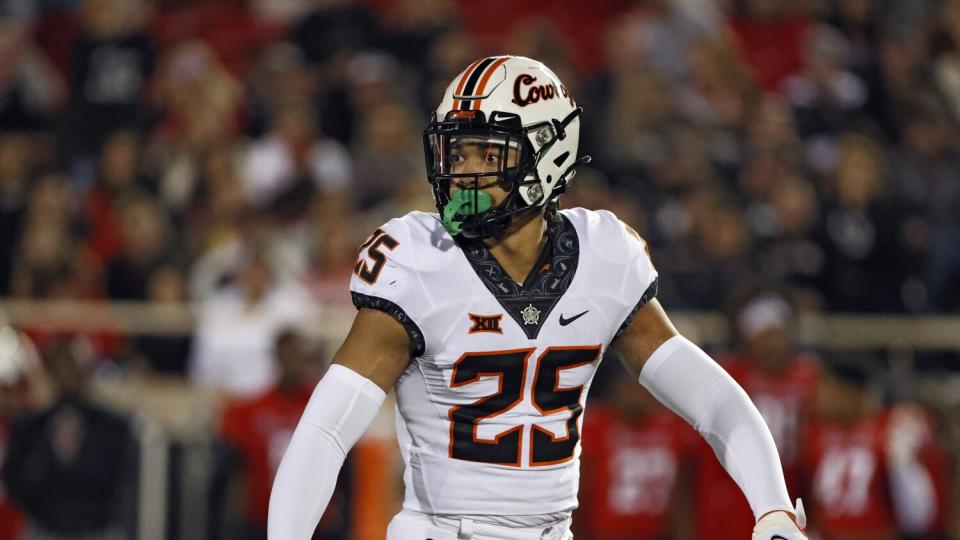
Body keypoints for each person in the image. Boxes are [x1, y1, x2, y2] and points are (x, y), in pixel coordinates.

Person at [268, 55, 807, 540]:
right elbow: (325, 430)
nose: (461, 174)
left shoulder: (602, 256)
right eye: (456, 151)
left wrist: (773, 508)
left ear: (547, 155)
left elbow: (712, 399)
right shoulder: (420, 261)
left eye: (485, 153)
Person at [693, 287, 820, 540]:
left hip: (791, 485)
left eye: (777, 335)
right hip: (731, 493)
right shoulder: (728, 376)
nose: (773, 344)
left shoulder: (807, 377)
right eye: (765, 336)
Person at [799, 354, 949, 540]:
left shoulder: (892, 428)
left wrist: (902, 461)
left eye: (829, 388)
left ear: (851, 392)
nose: (820, 396)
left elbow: (919, 512)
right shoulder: (817, 433)